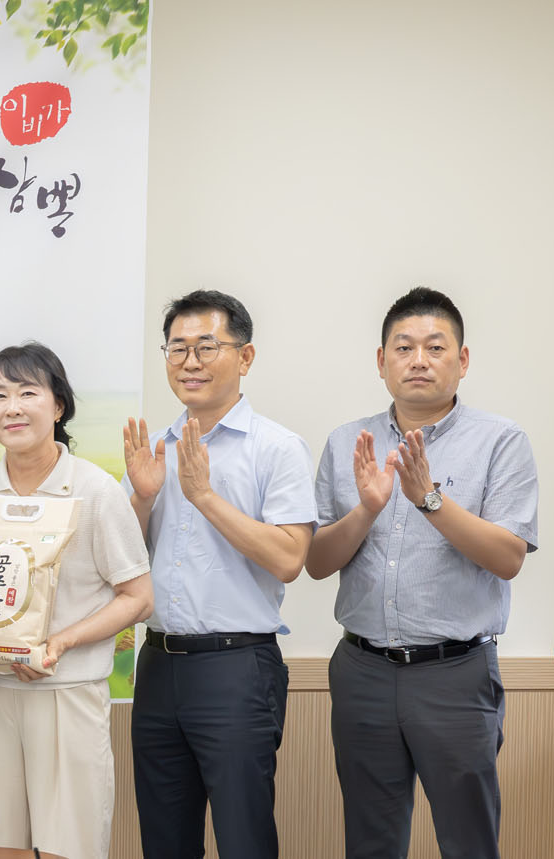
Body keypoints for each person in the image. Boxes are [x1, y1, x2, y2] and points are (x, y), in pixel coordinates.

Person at [306, 288, 537, 859]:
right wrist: (367, 509)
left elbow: (508, 557)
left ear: (463, 360)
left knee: (468, 841)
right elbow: (316, 562)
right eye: (404, 347)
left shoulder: (500, 440)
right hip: (362, 670)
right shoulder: (347, 442)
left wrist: (428, 499)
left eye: (436, 347)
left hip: (455, 673)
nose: (419, 360)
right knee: (371, 841)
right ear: (381, 360)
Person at [122, 289, 315, 859]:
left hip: (237, 667)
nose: (190, 362)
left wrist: (204, 496)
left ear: (245, 357)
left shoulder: (277, 448)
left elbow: (290, 558)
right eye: (177, 348)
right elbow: (122, 564)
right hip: (157, 665)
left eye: (207, 347)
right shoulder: (153, 450)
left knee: (243, 840)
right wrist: (142, 497)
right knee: (164, 842)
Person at [0, 343, 152, 859]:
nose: (11, 407)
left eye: (27, 393)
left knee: (69, 847)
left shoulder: (96, 491)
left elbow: (138, 598)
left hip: (68, 695)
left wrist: (61, 642)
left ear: (58, 405)